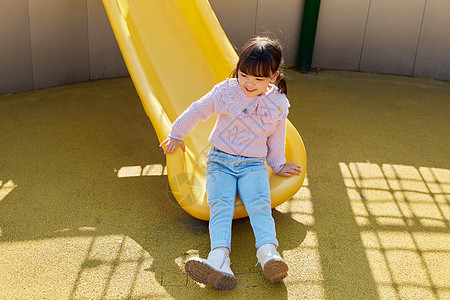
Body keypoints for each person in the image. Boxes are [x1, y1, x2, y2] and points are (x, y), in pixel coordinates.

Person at [160, 36, 302, 290]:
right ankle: (218, 259)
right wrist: (176, 133)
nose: (249, 83)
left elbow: (277, 139)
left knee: (260, 204)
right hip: (220, 162)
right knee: (220, 206)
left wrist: (278, 165)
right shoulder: (226, 92)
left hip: (254, 165)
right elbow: (197, 110)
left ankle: (268, 254)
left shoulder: (277, 104)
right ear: (238, 69)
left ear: (273, 76)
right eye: (244, 75)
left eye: (258, 79)